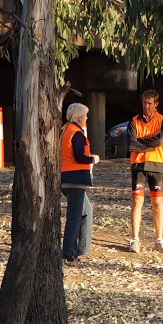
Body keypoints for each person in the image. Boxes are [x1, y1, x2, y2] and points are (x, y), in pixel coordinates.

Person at [127, 88, 163, 254]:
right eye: (144, 103)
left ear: (156, 104)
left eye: (149, 103)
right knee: (137, 202)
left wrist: (141, 143)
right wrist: (148, 144)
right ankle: (135, 239)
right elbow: (131, 145)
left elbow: (160, 141)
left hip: (157, 164)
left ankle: (159, 239)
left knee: (157, 203)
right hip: (138, 165)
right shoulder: (133, 121)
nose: (146, 106)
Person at [61, 100, 99, 262]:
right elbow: (79, 157)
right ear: (78, 118)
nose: (86, 119)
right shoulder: (76, 133)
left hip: (67, 177)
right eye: (85, 116)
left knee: (86, 211)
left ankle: (81, 248)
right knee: (75, 216)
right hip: (74, 178)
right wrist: (93, 159)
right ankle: (69, 252)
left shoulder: (64, 130)